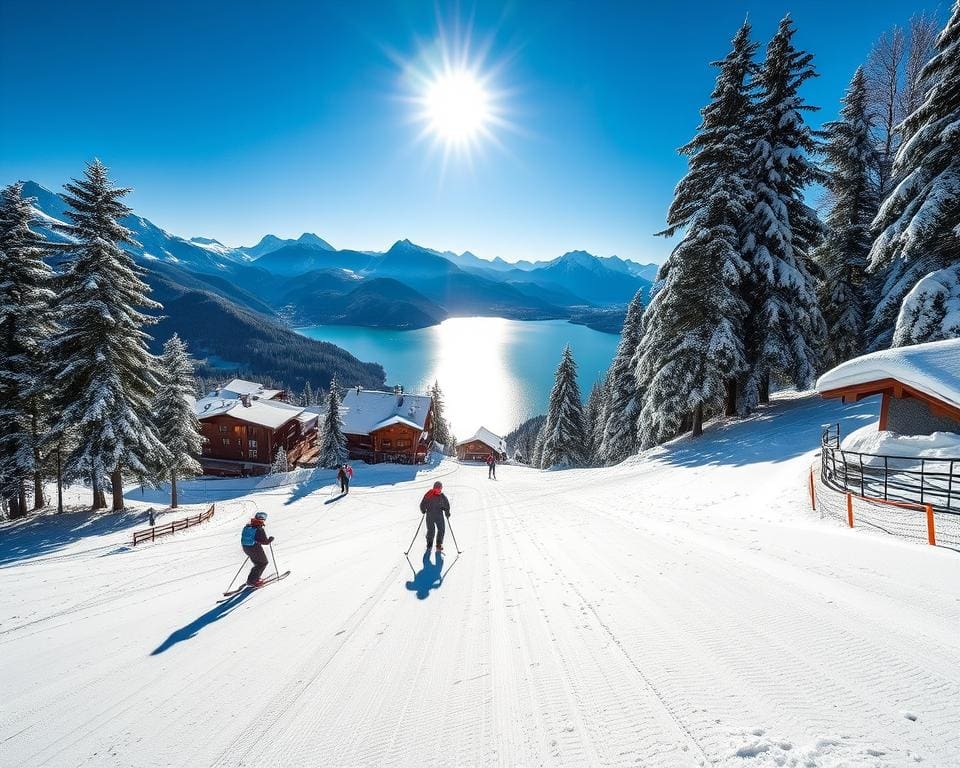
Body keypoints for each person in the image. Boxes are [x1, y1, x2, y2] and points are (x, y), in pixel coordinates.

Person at [240, 511, 274, 587]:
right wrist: (271, 539)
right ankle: (253, 581)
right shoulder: (259, 529)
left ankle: (252, 580)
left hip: (246, 548)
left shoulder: (247, 526)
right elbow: (265, 542)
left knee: (257, 564)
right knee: (262, 563)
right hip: (255, 548)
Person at [419, 480, 451, 552]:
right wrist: (423, 510)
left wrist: (447, 512)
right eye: (437, 488)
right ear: (434, 488)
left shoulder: (441, 496)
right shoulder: (430, 494)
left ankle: (438, 544)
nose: (438, 490)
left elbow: (447, 505)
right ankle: (430, 544)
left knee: (440, 529)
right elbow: (423, 503)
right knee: (432, 530)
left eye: (439, 488)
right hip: (431, 515)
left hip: (438, 515)